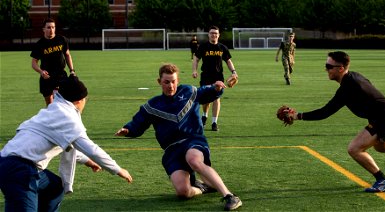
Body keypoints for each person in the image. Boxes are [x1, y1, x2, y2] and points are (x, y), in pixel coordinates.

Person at [284, 51, 385, 193]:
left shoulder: (348, 88)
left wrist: (297, 116)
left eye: (329, 66)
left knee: (354, 149)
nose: (326, 69)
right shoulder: (353, 77)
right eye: (326, 66)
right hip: (384, 115)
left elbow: (325, 112)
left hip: (384, 117)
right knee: (382, 147)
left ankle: (383, 180)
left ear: (341, 68)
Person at [115, 64, 242, 211]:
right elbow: (138, 123)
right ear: (159, 82)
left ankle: (229, 196)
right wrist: (128, 130)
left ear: (178, 80)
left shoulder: (189, 91)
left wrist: (216, 88)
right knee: (183, 192)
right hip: (172, 150)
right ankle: (203, 187)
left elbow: (206, 92)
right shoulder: (153, 105)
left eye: (173, 81)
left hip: (193, 139)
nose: (171, 85)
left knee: (193, 159)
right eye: (166, 82)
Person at [0, 74, 133, 211]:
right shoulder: (68, 117)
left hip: (9, 163)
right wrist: (118, 170)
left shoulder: (54, 110)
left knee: (55, 189)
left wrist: (87, 161)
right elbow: (91, 149)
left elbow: (69, 145)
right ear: (80, 100)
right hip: (20, 171)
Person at [192, 26, 238, 131]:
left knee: (216, 98)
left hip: (218, 77)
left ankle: (214, 122)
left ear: (218, 35)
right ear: (209, 34)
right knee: (206, 99)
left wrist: (234, 72)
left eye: (216, 33)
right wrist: (194, 70)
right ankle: (204, 115)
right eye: (212, 33)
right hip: (206, 76)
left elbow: (228, 61)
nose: (214, 35)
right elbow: (196, 58)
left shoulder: (222, 47)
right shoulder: (203, 47)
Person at [31, 18, 76, 106]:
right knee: (50, 105)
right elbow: (34, 63)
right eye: (48, 27)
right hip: (46, 77)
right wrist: (41, 72)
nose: (51, 30)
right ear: (43, 29)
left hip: (61, 75)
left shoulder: (62, 39)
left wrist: (72, 70)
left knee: (64, 102)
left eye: (53, 27)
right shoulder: (39, 44)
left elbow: (67, 55)